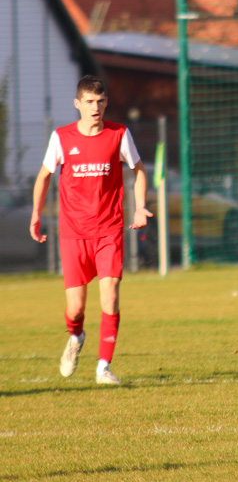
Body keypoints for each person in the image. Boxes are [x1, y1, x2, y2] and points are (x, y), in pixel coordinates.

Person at [30, 75, 152, 385]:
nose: (95, 107)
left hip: (109, 230)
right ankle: (76, 337)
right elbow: (44, 176)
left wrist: (139, 206)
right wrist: (36, 214)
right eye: (88, 102)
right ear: (77, 104)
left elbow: (138, 170)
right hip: (73, 234)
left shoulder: (119, 134)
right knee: (76, 308)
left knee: (110, 297)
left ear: (106, 102)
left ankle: (103, 368)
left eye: (100, 101)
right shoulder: (62, 138)